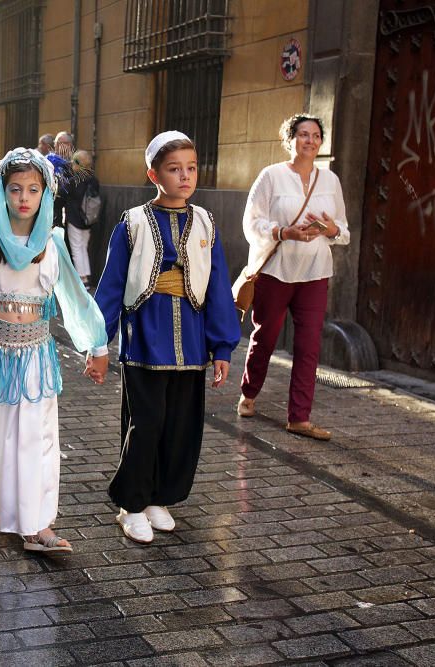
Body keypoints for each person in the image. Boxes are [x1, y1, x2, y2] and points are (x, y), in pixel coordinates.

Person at [0, 148, 109, 554]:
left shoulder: (52, 242)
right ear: (2, 192)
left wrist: (96, 344)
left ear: (45, 195)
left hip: (34, 354)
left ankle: (36, 524)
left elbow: (73, 297)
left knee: (35, 438)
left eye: (33, 190)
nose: (23, 197)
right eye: (15, 189)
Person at [94, 131, 241, 544]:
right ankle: (130, 503)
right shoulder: (133, 223)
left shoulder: (206, 222)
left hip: (191, 342)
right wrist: (97, 343)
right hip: (145, 337)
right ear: (153, 174)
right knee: (147, 421)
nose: (185, 176)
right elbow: (111, 286)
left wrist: (223, 346)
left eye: (191, 168)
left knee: (179, 424)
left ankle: (158, 496)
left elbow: (217, 286)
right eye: (174, 169)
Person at [237, 114, 350, 440]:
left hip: (315, 272)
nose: (310, 140)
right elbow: (251, 223)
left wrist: (330, 230)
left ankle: (299, 417)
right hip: (276, 272)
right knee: (266, 338)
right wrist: (283, 231)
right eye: (303, 134)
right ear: (291, 140)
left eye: (316, 135)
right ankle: (249, 393)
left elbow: (343, 230)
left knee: (308, 346)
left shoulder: (330, 181)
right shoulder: (271, 176)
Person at [60, 149, 100, 286]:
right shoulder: (94, 180)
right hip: (89, 220)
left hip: (74, 218)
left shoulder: (74, 181)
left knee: (76, 249)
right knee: (83, 247)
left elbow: (62, 194)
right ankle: (86, 277)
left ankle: (81, 279)